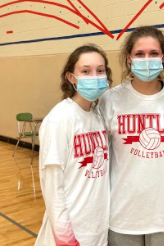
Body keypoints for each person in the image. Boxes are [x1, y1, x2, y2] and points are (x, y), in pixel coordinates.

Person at [100, 26, 164, 246]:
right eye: (139, 54)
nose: (146, 59)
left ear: (163, 57)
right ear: (129, 58)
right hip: (122, 214)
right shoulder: (110, 99)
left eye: (153, 53)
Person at [36, 45, 112, 246]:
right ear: (71, 77)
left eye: (100, 70)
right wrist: (65, 237)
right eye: (85, 71)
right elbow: (52, 186)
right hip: (70, 235)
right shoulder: (59, 120)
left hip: (97, 229)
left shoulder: (97, 116)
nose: (94, 76)